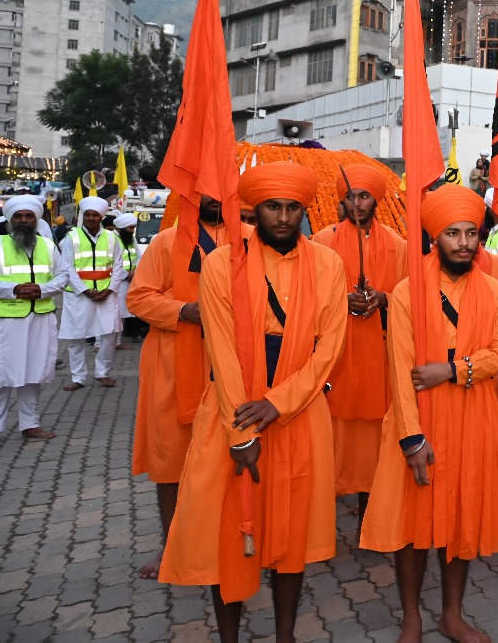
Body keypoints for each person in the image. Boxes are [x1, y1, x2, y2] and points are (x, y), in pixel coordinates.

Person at [159, 163, 348, 642]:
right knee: (229, 533)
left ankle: (286, 635)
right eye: (272, 207)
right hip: (234, 410)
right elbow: (220, 351)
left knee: (292, 533)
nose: (283, 218)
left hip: (299, 411)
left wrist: (279, 403)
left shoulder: (328, 264)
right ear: (253, 210)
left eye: (292, 208)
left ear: (304, 211)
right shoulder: (222, 263)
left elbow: (329, 348)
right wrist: (241, 430)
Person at [360, 184, 498, 643]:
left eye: (471, 233)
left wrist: (453, 369)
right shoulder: (407, 292)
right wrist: (411, 439)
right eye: (453, 233)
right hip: (419, 418)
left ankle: (452, 615)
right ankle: (411, 617)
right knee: (413, 523)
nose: (464, 243)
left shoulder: (495, 290)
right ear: (435, 238)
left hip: (475, 417)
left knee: (461, 517)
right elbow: (400, 369)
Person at [129, 195, 233, 578]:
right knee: (171, 460)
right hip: (173, 366)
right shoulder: (166, 241)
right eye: (205, 190)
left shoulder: (249, 239)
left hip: (233, 366)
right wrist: (183, 310)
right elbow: (138, 297)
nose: (214, 197)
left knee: (235, 457)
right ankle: (172, 545)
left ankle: (234, 539)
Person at [311, 165, 408, 527]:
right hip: (334, 358)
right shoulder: (322, 242)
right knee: (328, 437)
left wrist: (384, 299)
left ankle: (370, 518)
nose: (357, 203)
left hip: (378, 357)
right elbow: (307, 298)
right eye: (350, 196)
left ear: (376, 200)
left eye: (364, 196)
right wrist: (341, 300)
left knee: (374, 440)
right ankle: (320, 519)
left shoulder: (398, 246)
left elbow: (411, 299)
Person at [0, 195, 67, 448]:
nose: (24, 220)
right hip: (2, 322)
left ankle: (30, 424)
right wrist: (14, 289)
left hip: (39, 319)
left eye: (29, 216)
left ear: (36, 219)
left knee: (33, 372)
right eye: (18, 216)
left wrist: (41, 290)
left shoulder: (48, 246)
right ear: (10, 220)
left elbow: (63, 277)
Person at [58, 196, 124, 391]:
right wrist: (86, 291)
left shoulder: (112, 238)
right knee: (76, 337)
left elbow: (118, 267)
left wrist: (109, 290)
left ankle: (102, 373)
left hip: (106, 294)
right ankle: (78, 377)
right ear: (83, 216)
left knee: (110, 334)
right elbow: (67, 268)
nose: (91, 218)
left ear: (101, 217)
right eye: (87, 214)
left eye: (95, 215)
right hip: (78, 295)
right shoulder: (71, 237)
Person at [112, 213, 144, 343]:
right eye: (130, 228)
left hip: (130, 280)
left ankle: (118, 341)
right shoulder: (112, 239)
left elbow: (139, 256)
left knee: (126, 310)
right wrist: (125, 275)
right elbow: (110, 262)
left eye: (133, 228)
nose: (132, 231)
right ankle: (115, 342)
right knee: (116, 312)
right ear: (122, 227)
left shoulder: (131, 239)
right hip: (118, 281)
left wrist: (134, 272)